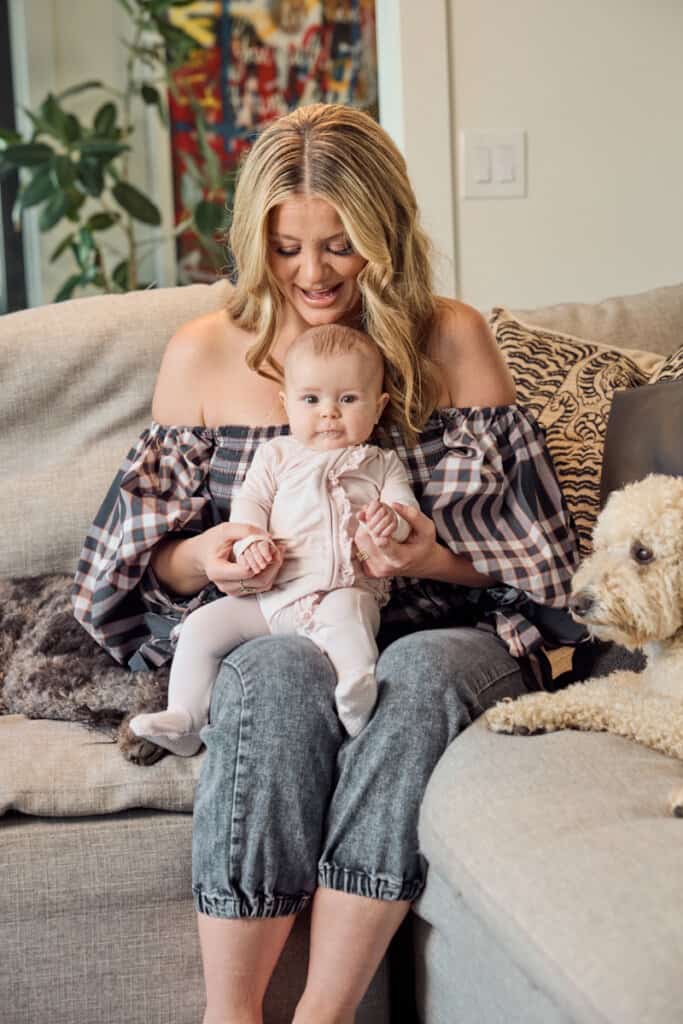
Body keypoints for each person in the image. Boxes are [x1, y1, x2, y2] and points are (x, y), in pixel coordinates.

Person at [72, 102, 580, 1024]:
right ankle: (229, 1013)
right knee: (266, 670)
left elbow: (542, 561)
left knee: (414, 670)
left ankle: (326, 1012)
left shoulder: (451, 338)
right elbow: (124, 567)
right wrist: (202, 555)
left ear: (384, 238)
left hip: (443, 626)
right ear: (252, 240)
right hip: (284, 613)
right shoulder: (203, 353)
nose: (313, 274)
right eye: (287, 247)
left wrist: (434, 553)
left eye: (341, 247)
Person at [129, 323, 420, 753]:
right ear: (286, 404)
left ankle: (356, 689)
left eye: (348, 399)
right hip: (272, 595)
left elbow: (404, 514)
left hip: (342, 587)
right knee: (202, 627)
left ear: (379, 408)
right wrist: (249, 544)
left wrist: (389, 522)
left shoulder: (381, 464)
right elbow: (250, 505)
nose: (328, 412)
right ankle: (185, 717)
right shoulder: (276, 456)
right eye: (311, 399)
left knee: (349, 619)